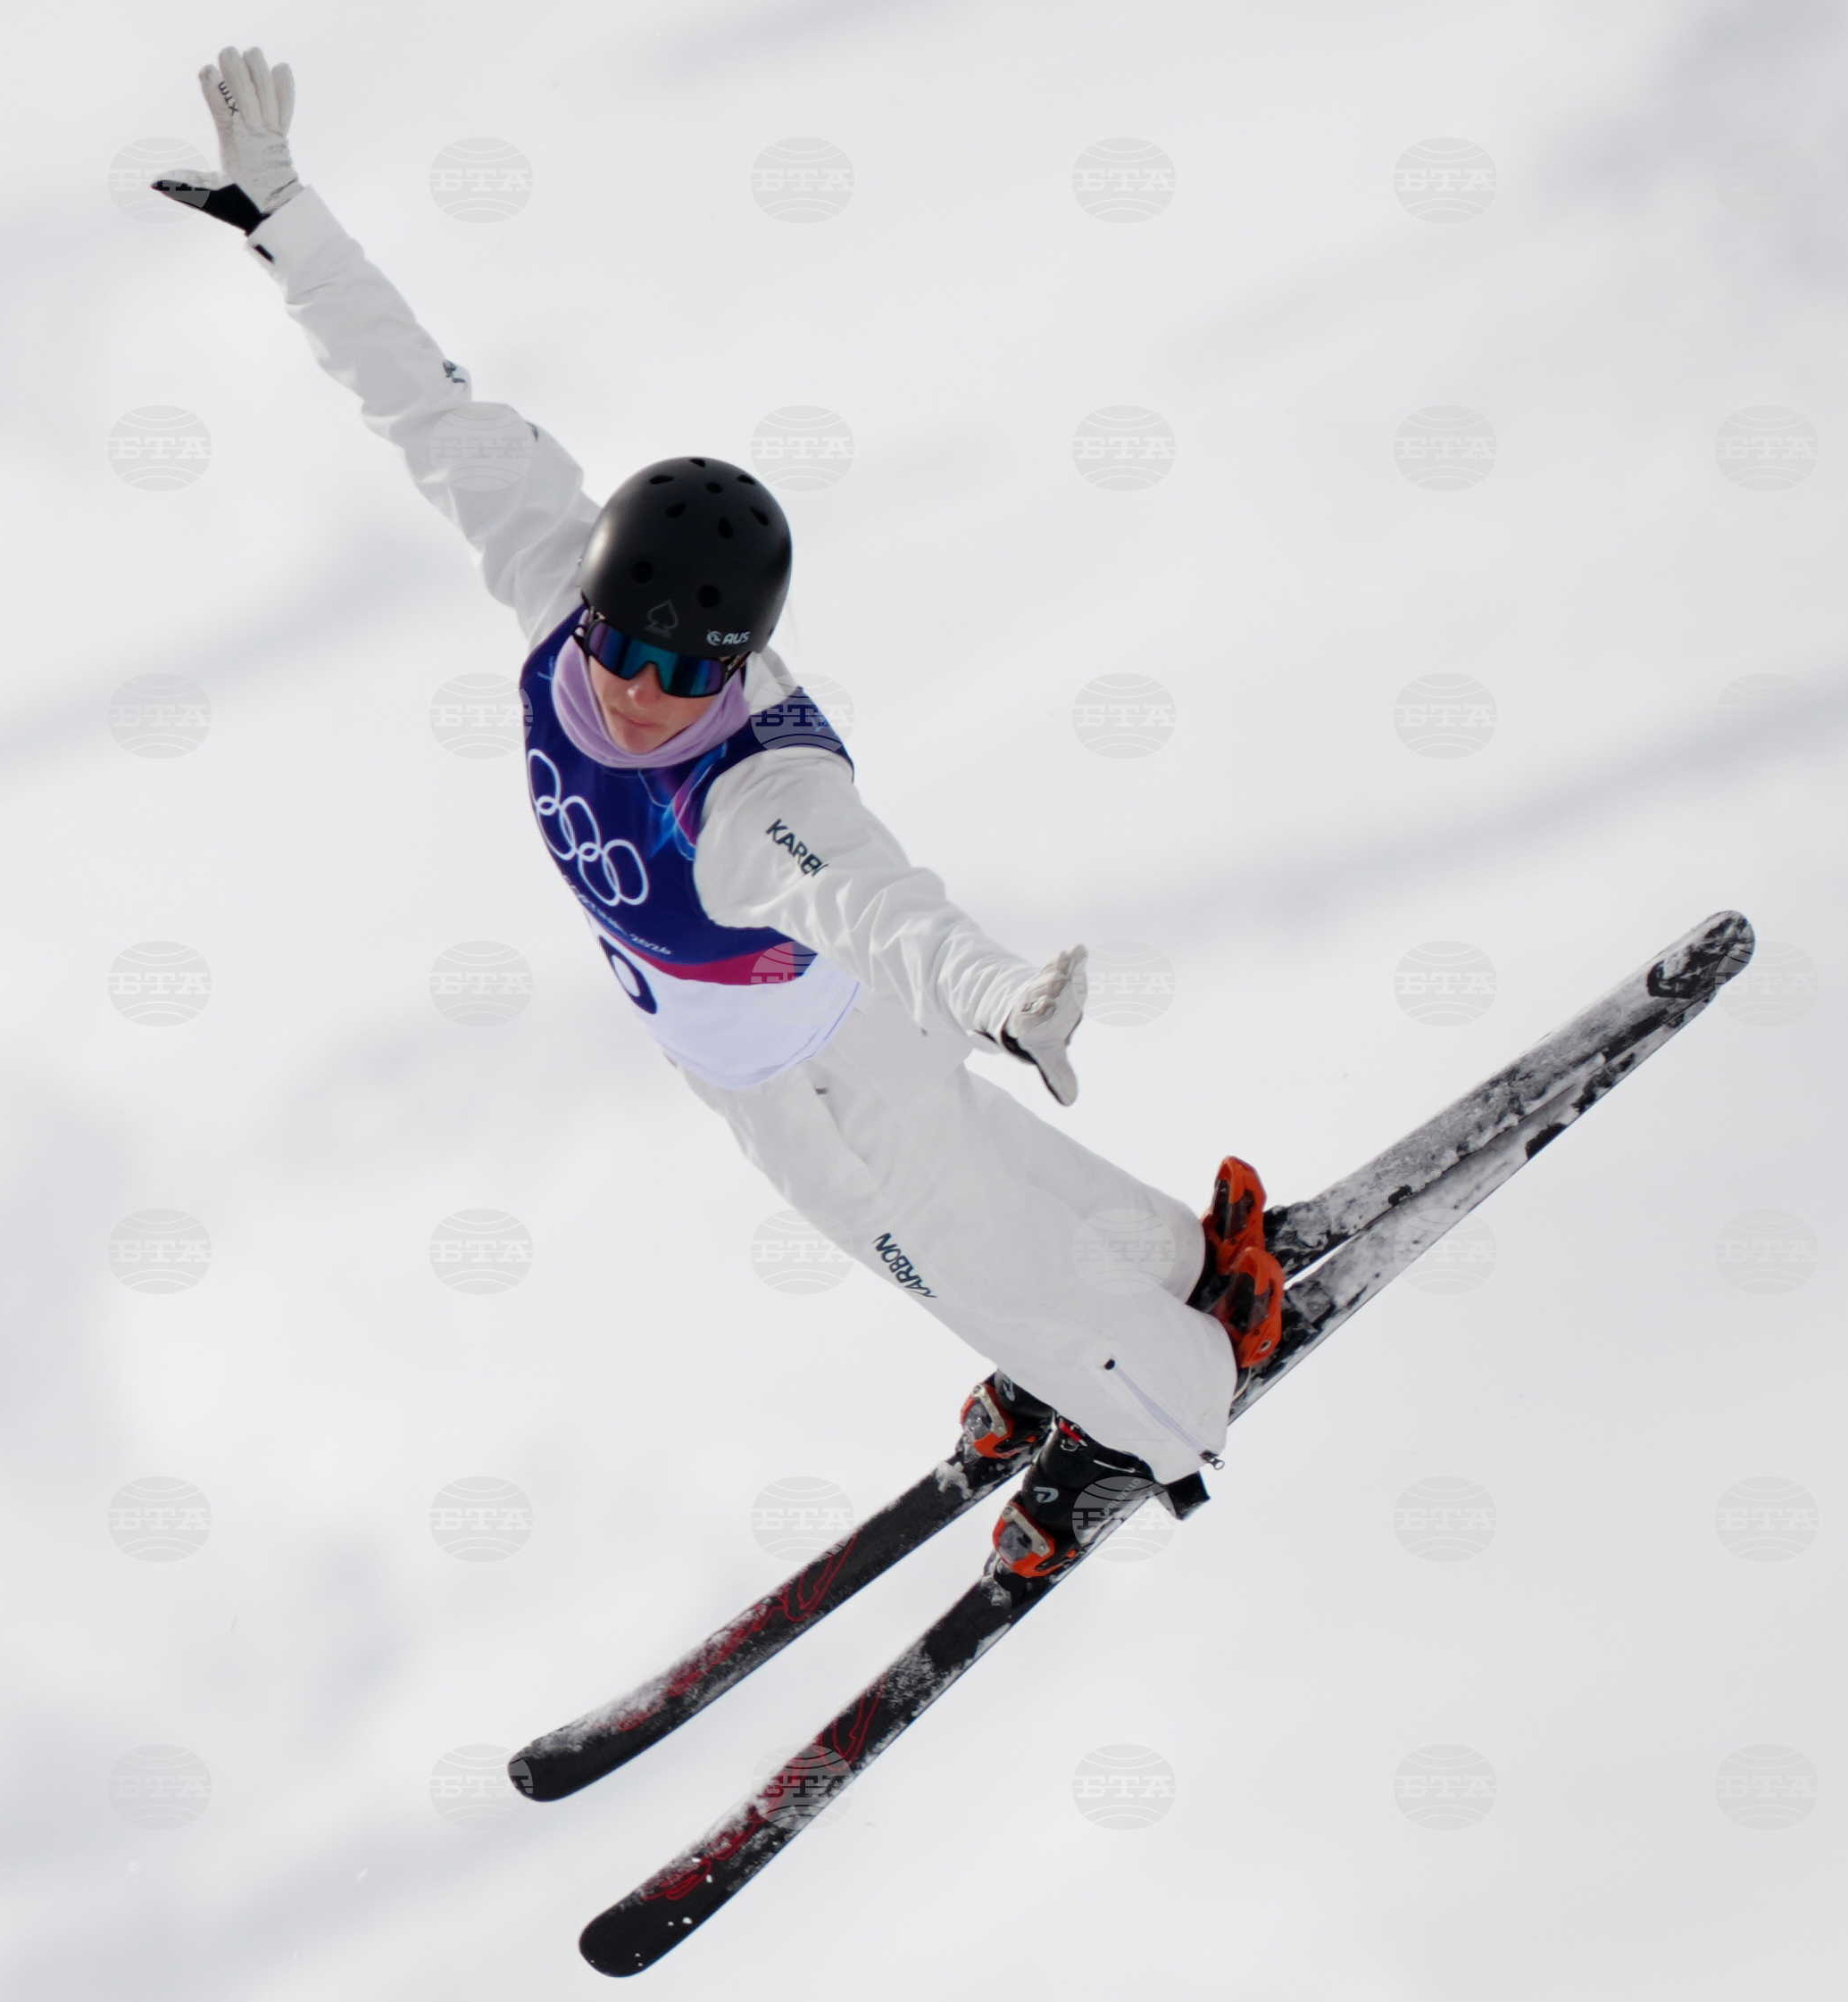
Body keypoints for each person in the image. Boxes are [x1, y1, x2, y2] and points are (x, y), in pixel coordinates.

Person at [158, 48, 1284, 1574]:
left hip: (832, 1049)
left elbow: (883, 905)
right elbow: (422, 403)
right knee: (983, 1209)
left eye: (686, 671)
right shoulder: (555, 575)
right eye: (624, 647)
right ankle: (1179, 1271)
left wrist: (1004, 999)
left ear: (740, 661)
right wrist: (283, 216)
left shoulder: (758, 788)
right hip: (730, 1059)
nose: (634, 691)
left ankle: (1165, 1416)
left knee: (951, 1252)